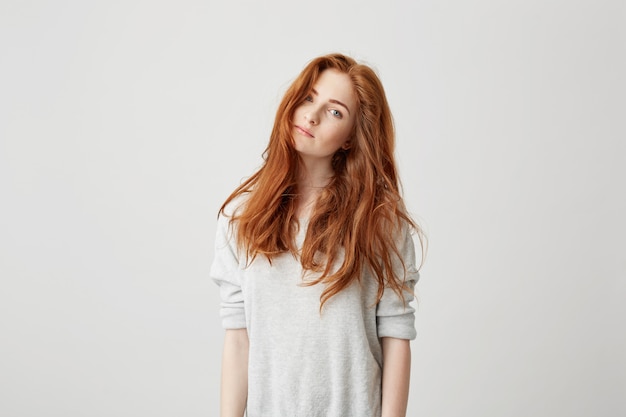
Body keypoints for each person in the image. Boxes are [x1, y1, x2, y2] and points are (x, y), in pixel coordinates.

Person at [211, 53, 424, 417]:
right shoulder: (242, 216)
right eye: (309, 98)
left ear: (350, 139)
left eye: (335, 111)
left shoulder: (379, 221)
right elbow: (238, 339)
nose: (312, 115)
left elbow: (396, 336)